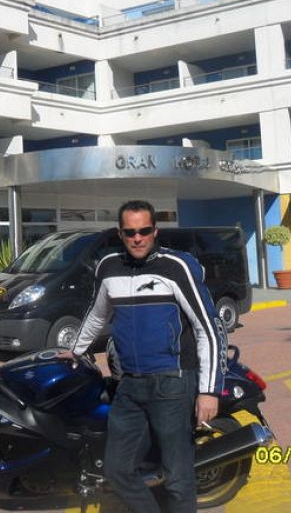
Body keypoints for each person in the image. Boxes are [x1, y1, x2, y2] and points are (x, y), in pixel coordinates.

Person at [64, 200, 226, 513]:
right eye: (130, 232)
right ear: (120, 234)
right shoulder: (108, 267)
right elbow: (97, 315)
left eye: (144, 231)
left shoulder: (176, 266)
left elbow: (208, 328)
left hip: (172, 382)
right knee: (117, 470)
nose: (137, 238)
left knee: (177, 477)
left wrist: (209, 391)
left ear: (155, 231)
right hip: (129, 384)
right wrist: (76, 350)